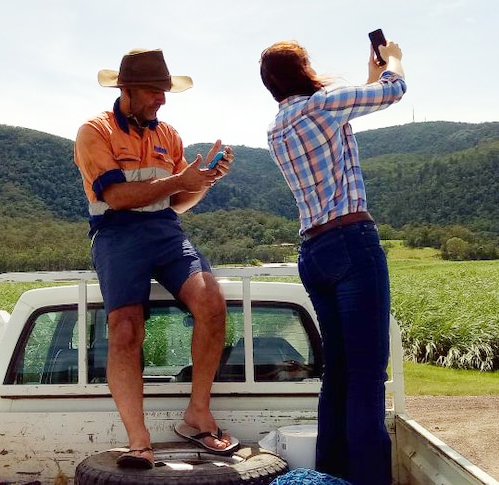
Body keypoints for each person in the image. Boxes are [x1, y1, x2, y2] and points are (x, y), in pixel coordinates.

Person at [73, 48, 239, 469]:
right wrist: (181, 179)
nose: (162, 100)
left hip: (166, 230)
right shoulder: (95, 131)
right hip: (116, 232)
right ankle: (138, 441)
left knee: (211, 303)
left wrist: (206, 181)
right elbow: (116, 195)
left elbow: (180, 201)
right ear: (128, 89)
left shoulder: (169, 137)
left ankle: (198, 416)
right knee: (125, 329)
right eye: (154, 92)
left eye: (165, 92)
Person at [259, 38, 406, 485]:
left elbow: (349, 111)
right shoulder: (324, 105)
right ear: (303, 68)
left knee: (339, 373)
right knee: (366, 376)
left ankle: (332, 477)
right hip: (352, 242)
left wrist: (368, 74)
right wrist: (392, 59)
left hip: (314, 251)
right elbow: (394, 89)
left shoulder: (278, 128)